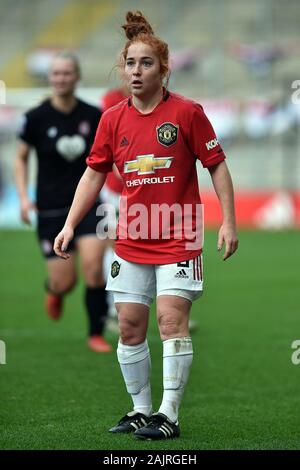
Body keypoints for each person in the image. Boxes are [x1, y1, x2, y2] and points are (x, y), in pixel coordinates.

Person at [54, 12, 238, 440]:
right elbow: (93, 175)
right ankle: (140, 411)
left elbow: (217, 166)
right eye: (130, 64)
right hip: (132, 234)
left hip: (179, 234)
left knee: (170, 322)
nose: (136, 72)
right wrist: (69, 224)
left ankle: (168, 415)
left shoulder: (188, 113)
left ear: (164, 69)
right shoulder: (112, 119)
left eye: (146, 64)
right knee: (131, 324)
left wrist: (228, 221)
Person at [14, 51, 112, 353]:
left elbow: (109, 156)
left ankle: (95, 333)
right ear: (50, 78)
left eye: (67, 73)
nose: (61, 78)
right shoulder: (35, 118)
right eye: (56, 74)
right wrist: (23, 199)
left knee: (95, 269)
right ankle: (54, 291)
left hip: (89, 206)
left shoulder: (94, 115)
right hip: (52, 209)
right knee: (65, 282)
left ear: (77, 77)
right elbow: (20, 157)